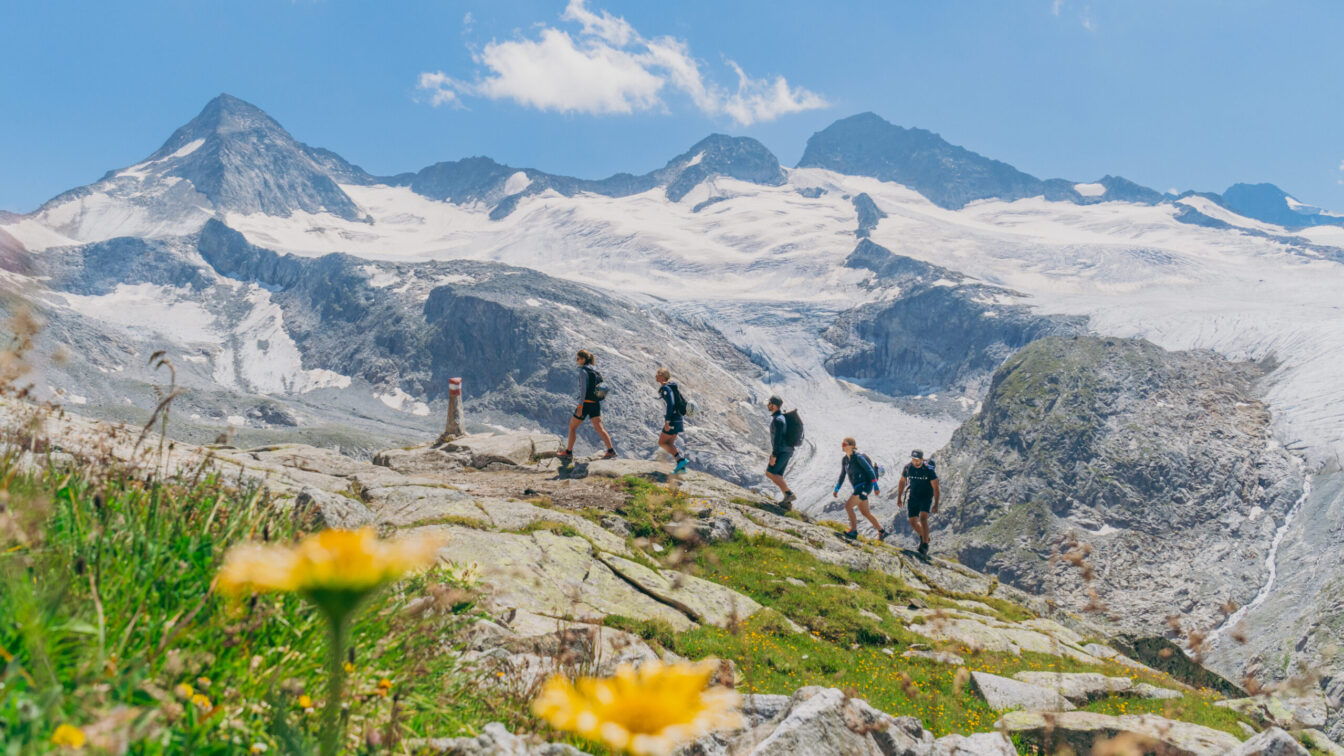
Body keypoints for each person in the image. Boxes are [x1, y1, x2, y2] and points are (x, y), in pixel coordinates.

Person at [559, 349, 616, 462]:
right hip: (595, 404)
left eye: (578, 359)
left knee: (572, 427)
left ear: (583, 359)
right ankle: (611, 451)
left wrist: (580, 407)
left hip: (585, 404)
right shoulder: (596, 371)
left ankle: (568, 452)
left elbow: (583, 390)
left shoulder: (583, 371)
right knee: (600, 428)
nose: (577, 361)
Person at [833, 438, 888, 541]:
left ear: (852, 446)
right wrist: (837, 488)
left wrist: (875, 487)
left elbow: (870, 471)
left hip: (864, 487)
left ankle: (853, 531)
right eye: (842, 444)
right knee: (865, 512)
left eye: (845, 444)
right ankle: (882, 531)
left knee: (848, 506)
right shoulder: (845, 460)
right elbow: (842, 475)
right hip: (858, 487)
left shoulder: (858, 457)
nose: (843, 446)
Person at [896, 449, 939, 556]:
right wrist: (899, 498)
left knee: (923, 518)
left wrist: (936, 504)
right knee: (912, 522)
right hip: (913, 497)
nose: (915, 462)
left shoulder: (929, 469)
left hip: (926, 497)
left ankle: (924, 545)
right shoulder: (907, 468)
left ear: (922, 459)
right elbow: (902, 482)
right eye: (913, 459)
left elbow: (936, 487)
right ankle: (924, 537)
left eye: (917, 460)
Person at [655, 367, 688, 473]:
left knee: (662, 442)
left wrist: (667, 421)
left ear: (663, 376)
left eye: (658, 373)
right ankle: (681, 468)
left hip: (672, 419)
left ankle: (681, 460)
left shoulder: (666, 388)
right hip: (677, 418)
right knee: (670, 443)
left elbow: (670, 404)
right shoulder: (671, 387)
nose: (656, 375)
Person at [765, 396, 795, 507]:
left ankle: (789, 494)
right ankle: (787, 502)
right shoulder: (781, 418)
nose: (767, 405)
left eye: (769, 403)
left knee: (770, 472)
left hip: (782, 451)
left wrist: (774, 455)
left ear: (773, 405)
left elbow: (778, 439)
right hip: (787, 450)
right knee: (777, 475)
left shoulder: (778, 420)